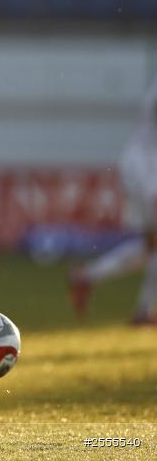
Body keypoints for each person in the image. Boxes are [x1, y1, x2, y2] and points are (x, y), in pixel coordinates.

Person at [69, 76, 157, 325]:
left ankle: (87, 275)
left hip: (144, 167)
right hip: (146, 171)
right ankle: (143, 312)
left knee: (151, 245)